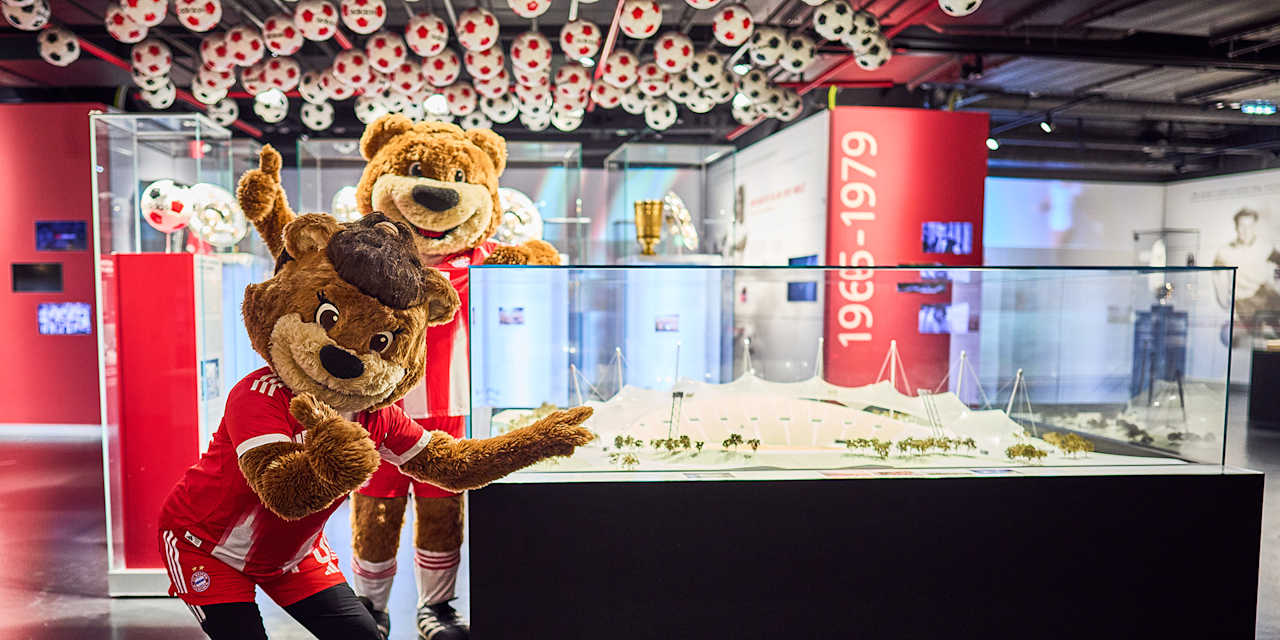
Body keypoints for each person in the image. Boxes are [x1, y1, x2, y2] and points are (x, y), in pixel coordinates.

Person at [1213, 207, 1280, 340]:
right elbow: (1216, 275)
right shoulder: (1225, 251)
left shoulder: (1264, 246)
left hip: (1266, 294)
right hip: (1244, 302)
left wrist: (1276, 283)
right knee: (1259, 339)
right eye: (1242, 225)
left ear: (1254, 226)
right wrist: (1223, 301)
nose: (1245, 230)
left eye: (1249, 226)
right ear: (1236, 227)